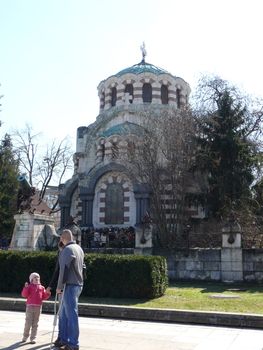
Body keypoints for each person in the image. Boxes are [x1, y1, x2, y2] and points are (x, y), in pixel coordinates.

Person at [56, 229, 84, 350]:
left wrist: (59, 287)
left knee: (70, 314)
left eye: (60, 238)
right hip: (77, 284)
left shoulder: (67, 250)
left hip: (69, 285)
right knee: (63, 314)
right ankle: (63, 339)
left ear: (63, 238)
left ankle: (73, 344)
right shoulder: (79, 248)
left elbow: (63, 270)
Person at [21, 272, 51, 344]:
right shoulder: (29, 287)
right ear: (31, 279)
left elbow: (44, 297)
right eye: (35, 277)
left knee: (35, 323)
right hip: (30, 307)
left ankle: (33, 338)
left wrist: (48, 293)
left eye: (38, 277)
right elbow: (24, 295)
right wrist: (25, 288)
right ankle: (25, 336)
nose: (37, 278)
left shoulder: (42, 287)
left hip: (38, 307)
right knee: (28, 323)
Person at [46, 240, 64, 348]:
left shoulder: (62, 253)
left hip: (63, 288)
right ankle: (63, 337)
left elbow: (58, 271)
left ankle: (61, 337)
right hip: (73, 286)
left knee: (62, 313)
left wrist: (52, 286)